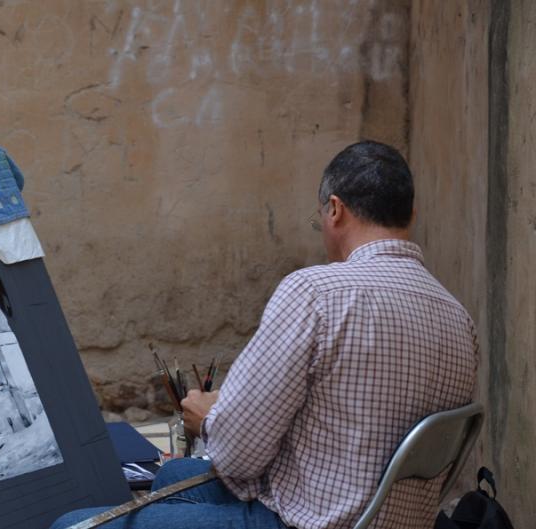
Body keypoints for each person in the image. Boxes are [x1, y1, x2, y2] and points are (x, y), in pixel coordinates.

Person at [50, 141, 478, 529]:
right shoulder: (459, 319)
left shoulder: (316, 293)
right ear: (411, 216)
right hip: (385, 515)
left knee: (71, 524)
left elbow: (238, 456)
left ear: (334, 210)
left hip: (307, 521)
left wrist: (210, 420)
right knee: (173, 476)